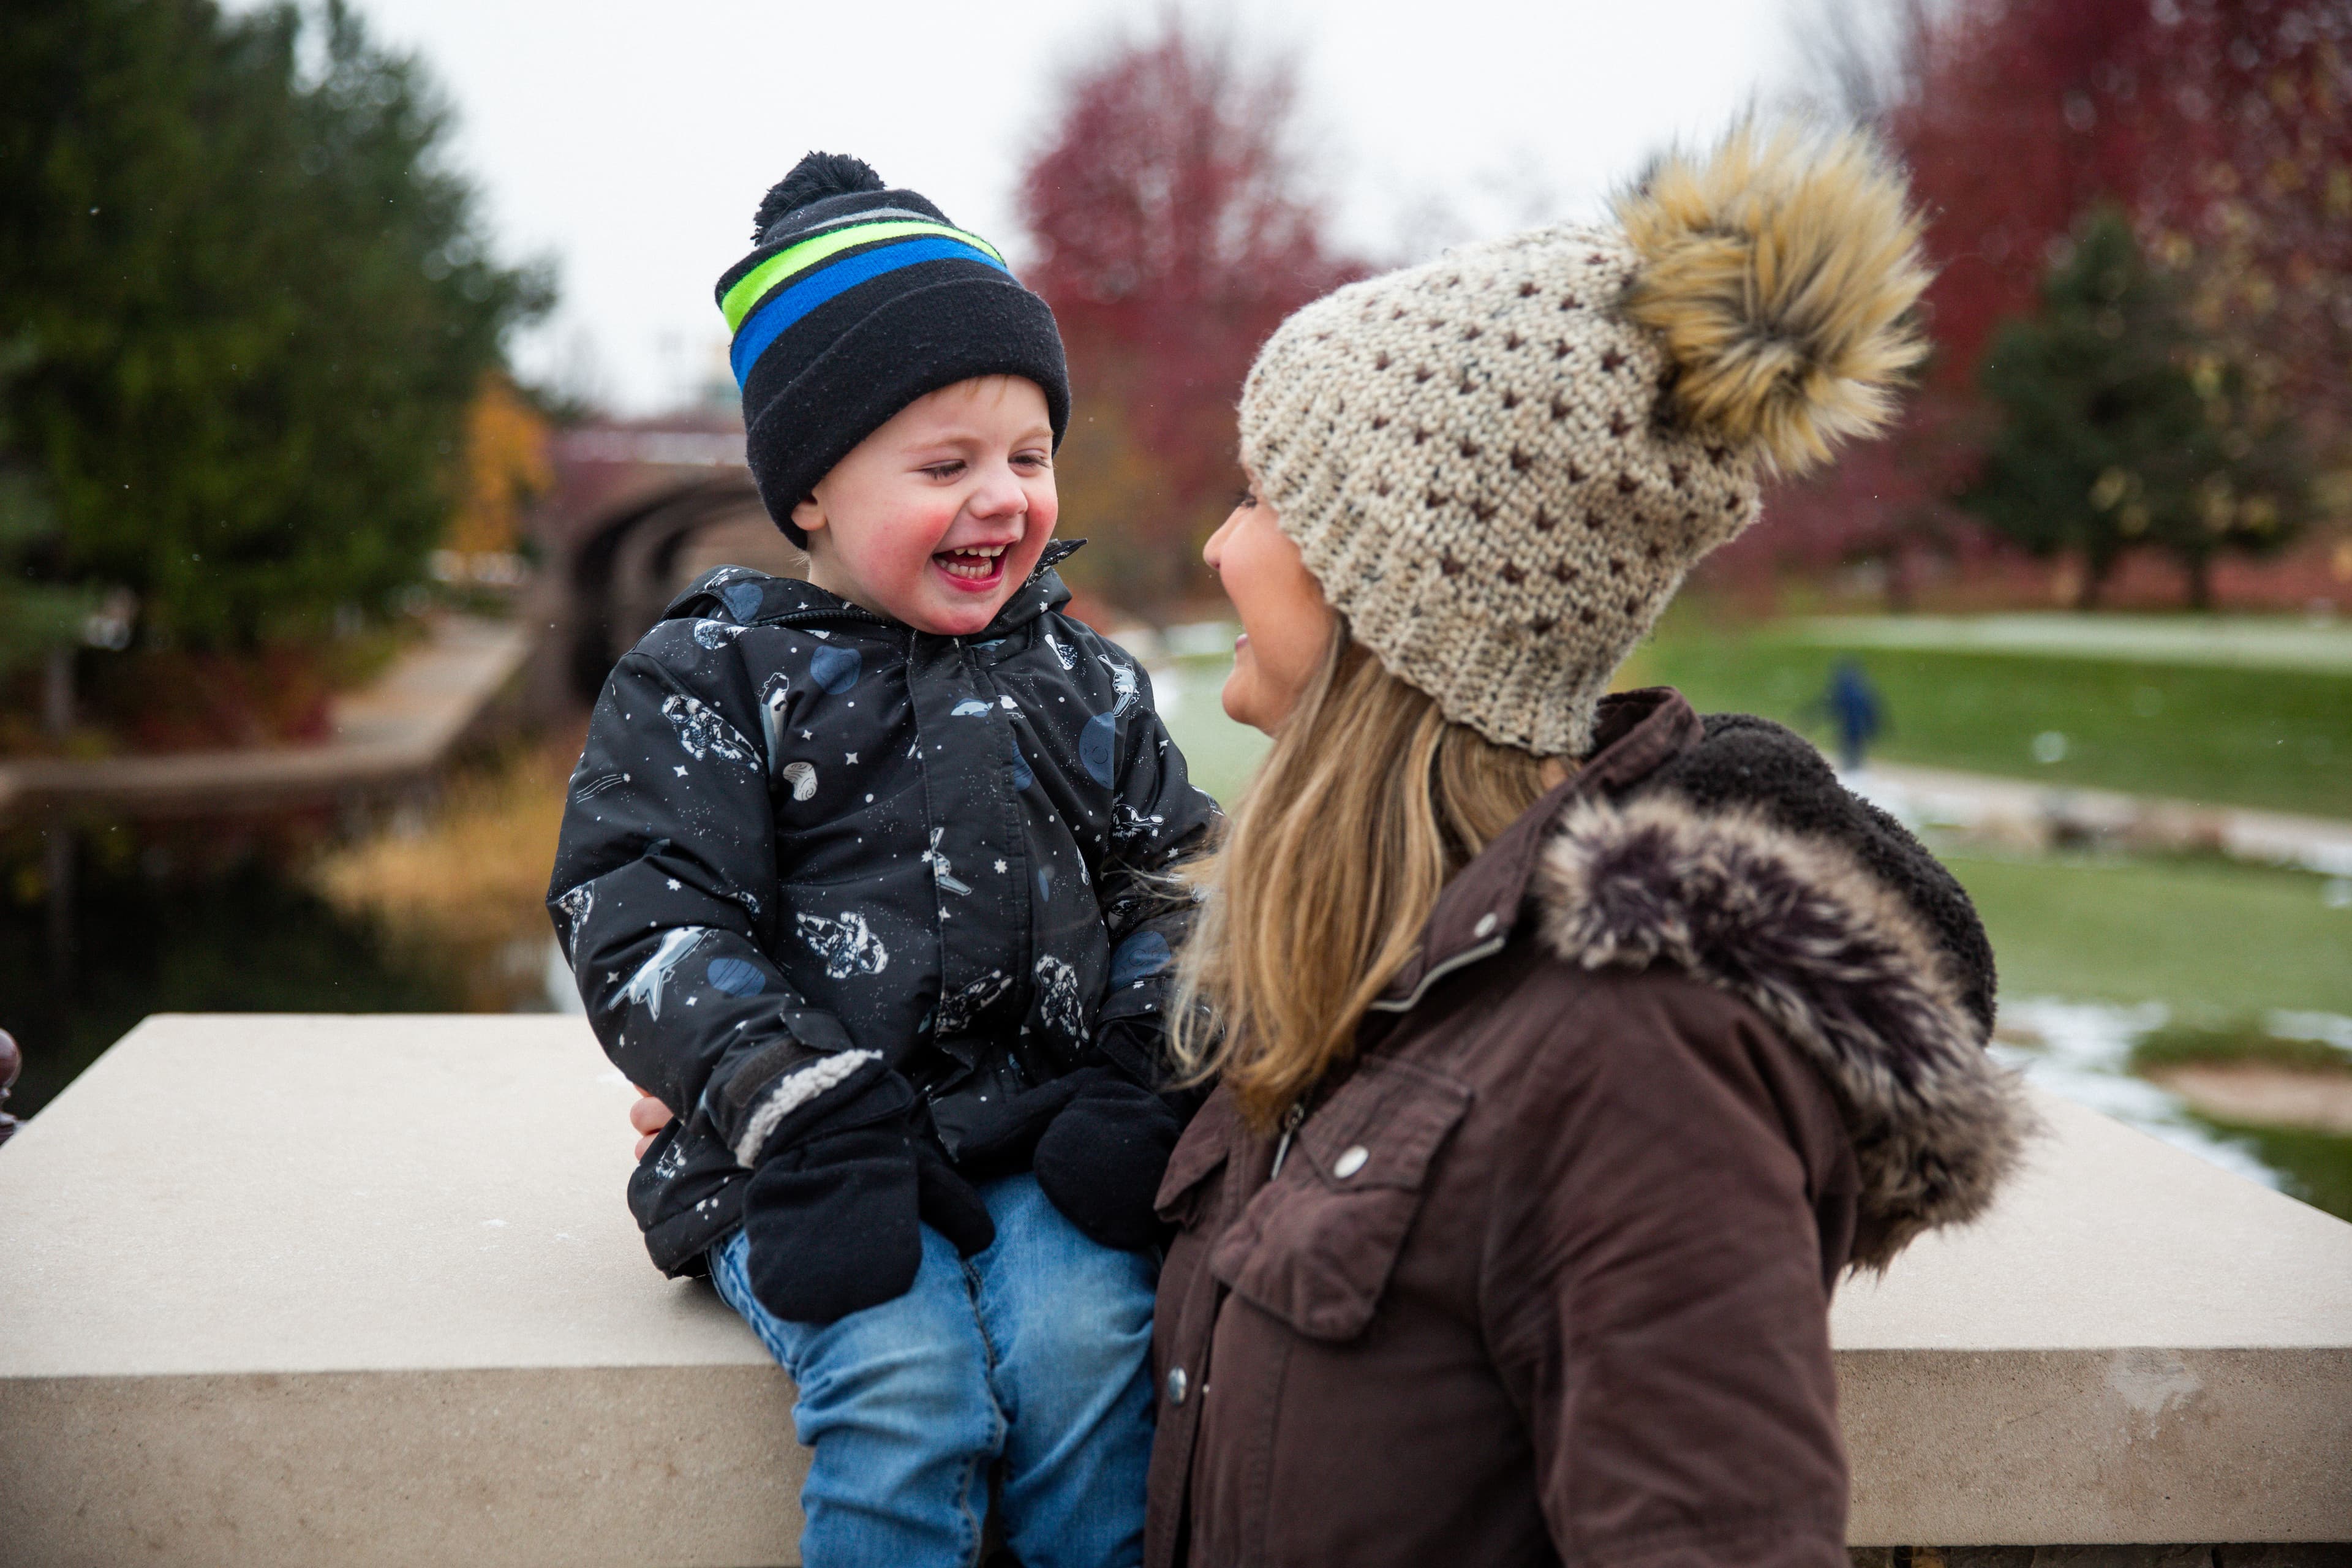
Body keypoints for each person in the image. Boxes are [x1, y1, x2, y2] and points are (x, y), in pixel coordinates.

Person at [1144, 124, 2031, 1566]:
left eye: (1259, 496)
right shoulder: (1393, 975)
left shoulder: (1636, 1067)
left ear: (1397, 591)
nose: (1217, 551)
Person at [551, 153, 1216, 1568]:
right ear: (811, 497)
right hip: (805, 1154)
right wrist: (786, 1098)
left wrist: (1138, 1073)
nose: (1005, 498)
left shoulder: (1085, 680)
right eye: (944, 465)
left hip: (1043, 1132)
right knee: (906, 1385)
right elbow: (644, 913)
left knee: (1092, 1342)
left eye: (1029, 456)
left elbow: (1185, 889)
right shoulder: (710, 679)